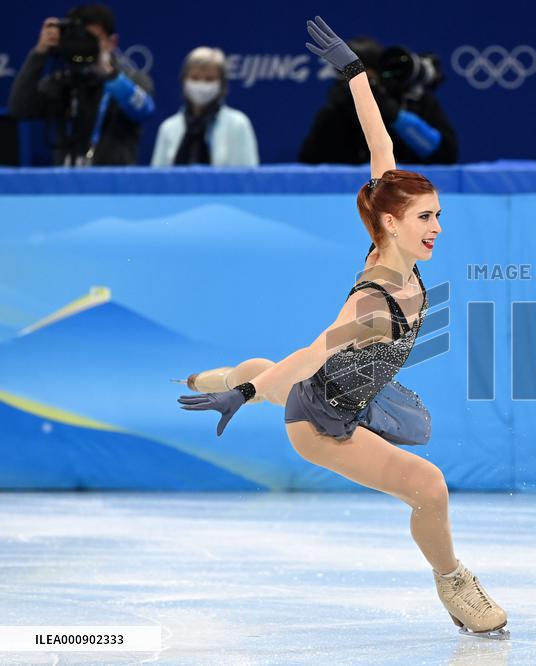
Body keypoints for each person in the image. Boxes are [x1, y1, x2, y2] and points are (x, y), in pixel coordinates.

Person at [176, 15, 509, 641]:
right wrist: (248, 397)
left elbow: (379, 142)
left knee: (263, 374)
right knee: (429, 487)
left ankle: (229, 375)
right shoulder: (372, 304)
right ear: (390, 223)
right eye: (426, 218)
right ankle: (455, 583)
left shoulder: (392, 233)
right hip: (324, 417)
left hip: (361, 389)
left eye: (439, 215)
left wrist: (356, 73)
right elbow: (312, 355)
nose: (437, 227)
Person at [7, 4, 155, 166]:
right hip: (67, 185)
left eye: (91, 39)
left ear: (112, 42)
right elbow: (19, 108)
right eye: (79, 38)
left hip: (114, 186)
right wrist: (40, 53)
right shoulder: (63, 80)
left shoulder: (132, 79)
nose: (83, 45)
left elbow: (144, 110)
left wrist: (109, 74)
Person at [298, 37, 458, 165]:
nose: (356, 85)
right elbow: (309, 166)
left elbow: (446, 155)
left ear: (380, 74)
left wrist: (396, 117)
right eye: (347, 78)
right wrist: (339, 114)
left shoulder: (413, 103)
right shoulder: (337, 107)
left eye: (363, 77)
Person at [151, 47, 259, 167]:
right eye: (195, 78)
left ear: (221, 84)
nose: (201, 85)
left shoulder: (238, 124)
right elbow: (157, 179)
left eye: (209, 79)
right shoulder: (168, 128)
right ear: (184, 81)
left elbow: (247, 179)